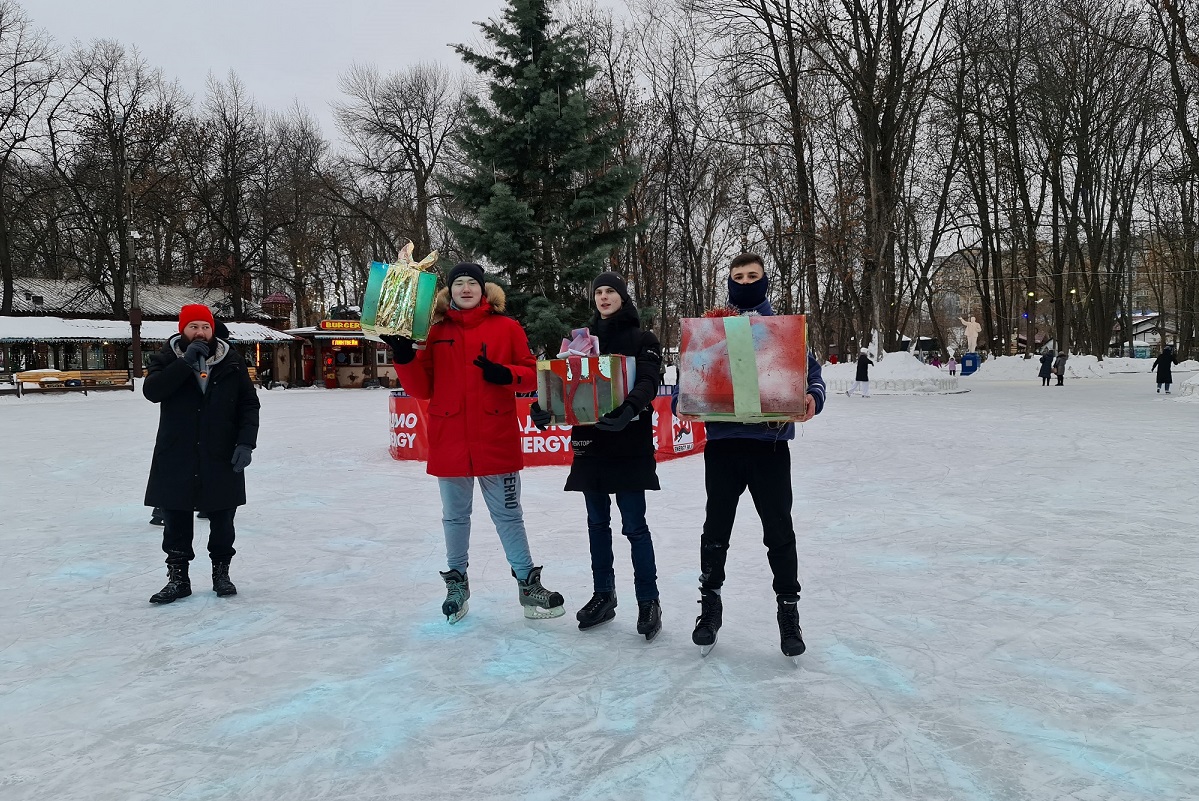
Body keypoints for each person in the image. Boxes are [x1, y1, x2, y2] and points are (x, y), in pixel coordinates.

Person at [384, 263, 565, 623]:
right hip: (450, 438)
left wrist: (505, 374)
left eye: (472, 283)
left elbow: (531, 372)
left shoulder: (507, 327)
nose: (465, 288)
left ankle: (528, 585)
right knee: (454, 518)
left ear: (484, 290)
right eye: (458, 284)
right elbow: (422, 389)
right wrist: (404, 357)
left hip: (495, 438)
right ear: (449, 291)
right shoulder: (435, 331)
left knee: (509, 516)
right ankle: (457, 584)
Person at [682, 252, 826, 659]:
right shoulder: (711, 331)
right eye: (738, 277)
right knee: (716, 529)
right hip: (724, 444)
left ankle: (788, 610)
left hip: (769, 445)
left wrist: (813, 398)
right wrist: (682, 399)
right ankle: (709, 605)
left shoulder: (783, 330)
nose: (745, 283)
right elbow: (690, 379)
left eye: (752, 276)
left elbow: (813, 378)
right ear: (728, 282)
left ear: (765, 281)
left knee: (778, 530)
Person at [532, 273, 664, 640]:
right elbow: (564, 382)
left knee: (634, 525)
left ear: (623, 297)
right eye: (599, 292)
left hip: (629, 441)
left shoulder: (643, 339)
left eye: (611, 291)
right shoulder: (580, 340)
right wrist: (543, 407)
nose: (604, 297)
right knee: (596, 523)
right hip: (590, 443)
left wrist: (629, 410)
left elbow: (648, 380)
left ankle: (648, 601)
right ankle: (603, 595)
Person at [143, 305, 260, 604]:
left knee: (223, 517)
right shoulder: (166, 358)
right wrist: (186, 363)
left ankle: (221, 573)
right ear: (183, 330)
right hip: (177, 452)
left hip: (221, 451)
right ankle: (178, 579)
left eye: (205, 327)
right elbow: (153, 391)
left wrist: (246, 443)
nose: (200, 333)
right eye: (193, 327)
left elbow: (249, 404)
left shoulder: (231, 361)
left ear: (212, 329)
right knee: (176, 518)